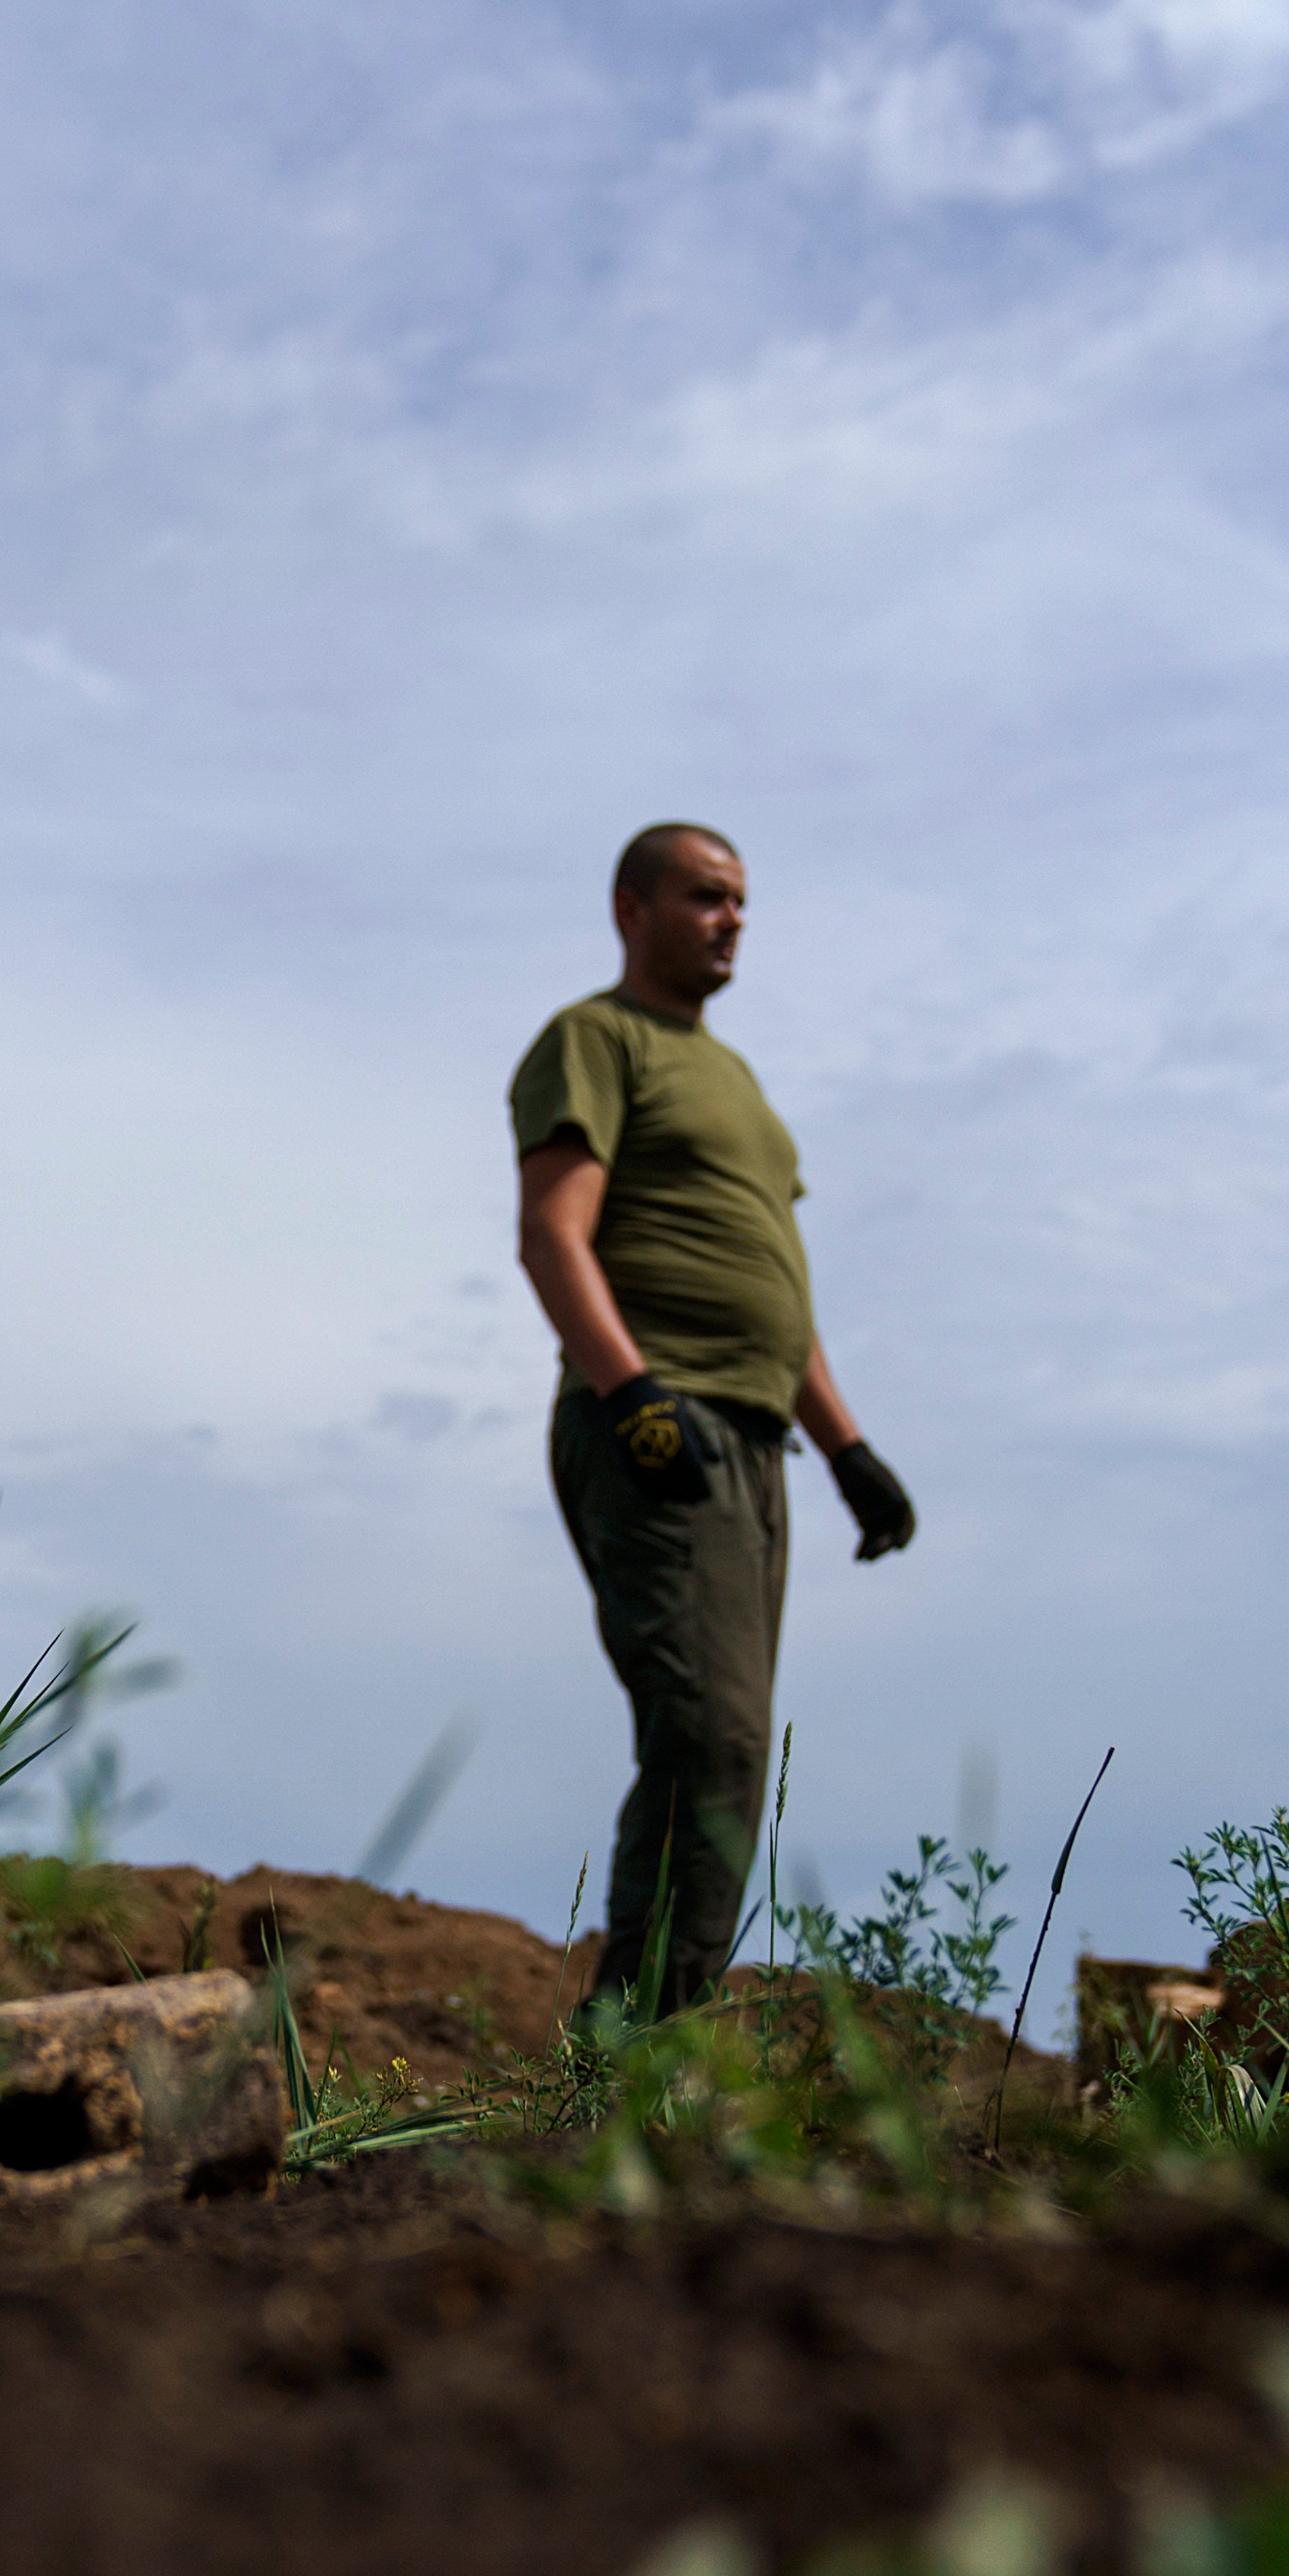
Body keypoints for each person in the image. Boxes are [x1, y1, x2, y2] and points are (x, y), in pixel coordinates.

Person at [512, 823, 916, 2024]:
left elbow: (778, 1291)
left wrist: (848, 1449)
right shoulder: (596, 1039)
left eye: (741, 901)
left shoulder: (738, 1084)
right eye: (704, 897)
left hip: (755, 1442)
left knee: (730, 1749)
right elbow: (552, 1233)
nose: (731, 918)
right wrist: (629, 1392)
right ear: (632, 909)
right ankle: (629, 2046)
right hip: (655, 1423)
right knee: (712, 1740)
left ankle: (651, 2042)